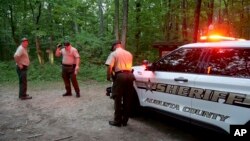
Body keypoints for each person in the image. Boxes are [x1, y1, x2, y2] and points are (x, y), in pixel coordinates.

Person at [105, 40, 135, 127]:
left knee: (117, 98)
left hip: (120, 76)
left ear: (114, 46)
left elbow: (110, 66)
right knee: (127, 99)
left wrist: (108, 76)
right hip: (130, 76)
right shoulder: (129, 53)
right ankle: (125, 121)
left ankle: (117, 121)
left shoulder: (114, 53)